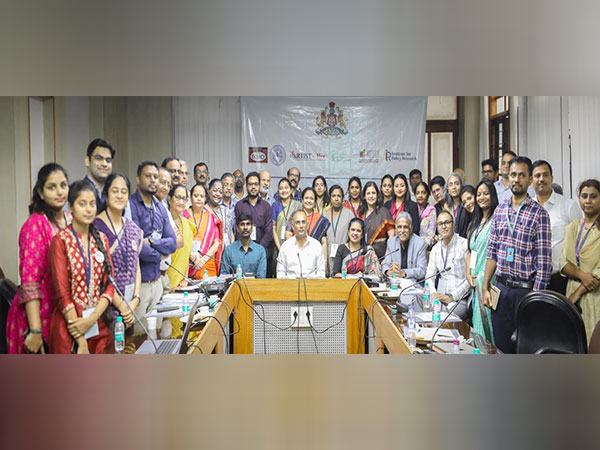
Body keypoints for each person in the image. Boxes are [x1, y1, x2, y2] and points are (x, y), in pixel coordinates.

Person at [482, 156, 552, 353]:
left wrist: (536, 299)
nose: (516, 179)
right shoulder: (499, 211)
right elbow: (492, 251)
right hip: (501, 290)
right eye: (513, 174)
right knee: (501, 347)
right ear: (508, 176)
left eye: (522, 175)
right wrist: (486, 286)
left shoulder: (540, 214)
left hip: (525, 292)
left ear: (529, 179)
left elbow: (544, 264)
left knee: (526, 349)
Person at [6, 163, 71, 354]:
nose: (59, 192)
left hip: (62, 312)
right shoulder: (35, 225)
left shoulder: (70, 218)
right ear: (41, 193)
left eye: (63, 185)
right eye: (52, 187)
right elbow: (30, 283)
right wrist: (35, 330)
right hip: (36, 318)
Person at [47, 180, 115, 354]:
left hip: (98, 326)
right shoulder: (60, 241)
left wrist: (92, 319)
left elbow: (109, 287)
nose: (89, 209)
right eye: (82, 204)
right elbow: (62, 294)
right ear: (70, 207)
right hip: (70, 329)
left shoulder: (102, 239)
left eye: (92, 204)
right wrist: (80, 340)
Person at [129, 161, 177, 334]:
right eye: (148, 176)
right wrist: (160, 256)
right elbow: (137, 247)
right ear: (138, 179)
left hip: (157, 283)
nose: (153, 180)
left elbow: (172, 242)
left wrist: (153, 243)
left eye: (155, 177)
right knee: (138, 338)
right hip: (139, 286)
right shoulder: (131, 206)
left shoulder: (160, 207)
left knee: (157, 335)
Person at [93, 173, 143, 330]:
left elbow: (137, 265)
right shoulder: (96, 227)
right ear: (106, 195)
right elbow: (100, 275)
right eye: (115, 191)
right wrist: (122, 306)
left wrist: (135, 299)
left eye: (124, 191)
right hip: (106, 309)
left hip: (131, 308)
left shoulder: (133, 228)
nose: (120, 195)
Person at [532, 160, 582, 294]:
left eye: (545, 175)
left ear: (552, 178)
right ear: (531, 180)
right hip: (532, 280)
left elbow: (580, 242)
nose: (541, 179)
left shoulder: (568, 205)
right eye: (537, 176)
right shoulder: (527, 208)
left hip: (560, 280)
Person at [561, 179, 600, 340]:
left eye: (593, 196)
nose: (588, 201)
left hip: (595, 294)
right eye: (584, 196)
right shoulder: (572, 227)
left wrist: (578, 293)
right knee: (574, 342)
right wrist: (582, 275)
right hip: (572, 291)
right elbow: (563, 263)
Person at [465, 179, 499, 344]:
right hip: (474, 282)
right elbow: (470, 251)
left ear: (493, 196)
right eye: (479, 194)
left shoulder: (496, 221)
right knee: (476, 324)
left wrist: (483, 279)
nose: (482, 197)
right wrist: (468, 273)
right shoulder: (476, 222)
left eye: (486, 193)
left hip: (488, 282)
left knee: (487, 326)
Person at [425, 210, 472, 320]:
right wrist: (433, 294)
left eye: (447, 222)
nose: (444, 227)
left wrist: (451, 297)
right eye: (440, 224)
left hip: (459, 299)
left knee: (444, 318)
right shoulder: (436, 249)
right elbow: (429, 277)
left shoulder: (464, 245)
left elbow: (469, 280)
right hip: (439, 297)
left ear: (453, 224)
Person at [183, 183, 222, 278]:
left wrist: (203, 260)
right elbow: (180, 241)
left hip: (207, 263)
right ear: (190, 198)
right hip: (187, 263)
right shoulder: (183, 216)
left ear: (205, 199)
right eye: (196, 196)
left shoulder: (211, 217)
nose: (199, 199)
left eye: (202, 196)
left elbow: (216, 243)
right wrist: (192, 256)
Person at [277, 210, 325, 278]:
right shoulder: (285, 247)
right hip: (290, 286)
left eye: (303, 222)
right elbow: (280, 274)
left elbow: (321, 273)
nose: (301, 226)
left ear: (307, 225)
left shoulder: (316, 246)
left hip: (312, 286)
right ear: (293, 227)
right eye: (297, 223)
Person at [287, 187, 330, 263]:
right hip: (296, 257)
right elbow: (288, 235)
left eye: (311, 198)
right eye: (306, 198)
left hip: (314, 258)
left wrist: (324, 263)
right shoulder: (294, 216)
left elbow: (323, 242)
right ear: (302, 200)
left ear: (314, 202)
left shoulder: (321, 220)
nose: (309, 201)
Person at [234, 172, 273, 253]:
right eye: (250, 184)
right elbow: (237, 231)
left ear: (259, 186)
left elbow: (268, 233)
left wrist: (258, 249)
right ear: (246, 186)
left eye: (256, 184)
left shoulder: (266, 206)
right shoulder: (239, 205)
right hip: (242, 251)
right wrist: (243, 248)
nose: (253, 187)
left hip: (261, 251)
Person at [382, 212, 427, 282]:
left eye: (405, 227)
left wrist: (404, 273)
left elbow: (422, 270)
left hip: (413, 286)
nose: (402, 231)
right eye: (399, 227)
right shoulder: (391, 242)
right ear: (396, 229)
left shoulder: (420, 243)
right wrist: (388, 271)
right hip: (395, 283)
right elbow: (386, 264)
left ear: (411, 229)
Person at [165, 184, 195, 290]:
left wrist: (185, 278)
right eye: (178, 197)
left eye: (184, 199)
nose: (181, 202)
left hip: (181, 286)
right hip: (164, 283)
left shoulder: (187, 225)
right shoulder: (164, 222)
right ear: (169, 199)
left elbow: (186, 255)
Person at [221, 213, 267, 278]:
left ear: (252, 228)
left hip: (254, 287)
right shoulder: (229, 250)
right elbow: (224, 276)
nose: (245, 227)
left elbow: (261, 277)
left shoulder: (260, 251)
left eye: (248, 224)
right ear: (237, 228)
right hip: (235, 287)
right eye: (242, 224)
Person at [272, 178, 302, 275]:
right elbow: (273, 228)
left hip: (295, 247)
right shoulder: (275, 206)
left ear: (291, 190)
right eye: (281, 188)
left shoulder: (297, 205)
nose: (283, 190)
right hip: (278, 248)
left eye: (286, 188)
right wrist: (280, 248)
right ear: (278, 190)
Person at [358, 182, 395, 260]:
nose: (371, 196)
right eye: (368, 193)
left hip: (380, 255)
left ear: (377, 195)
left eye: (373, 193)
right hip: (363, 254)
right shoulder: (360, 213)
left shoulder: (384, 212)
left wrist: (387, 257)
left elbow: (392, 237)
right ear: (364, 196)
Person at [325, 184, 354, 275]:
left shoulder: (349, 213)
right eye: (334, 196)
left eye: (339, 196)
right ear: (330, 198)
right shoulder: (324, 214)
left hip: (344, 254)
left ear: (342, 198)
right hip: (328, 251)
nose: (336, 199)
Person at [84, 138, 115, 212]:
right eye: (98, 158)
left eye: (108, 160)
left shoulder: (115, 193)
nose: (104, 164)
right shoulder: (76, 191)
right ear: (87, 161)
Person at [206, 178, 233, 248]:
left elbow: (230, 233)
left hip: (225, 249)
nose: (217, 194)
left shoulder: (227, 211)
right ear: (209, 191)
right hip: (208, 249)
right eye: (215, 191)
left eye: (220, 192)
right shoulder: (203, 210)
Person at [444, 172, 471, 238]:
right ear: (447, 189)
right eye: (450, 184)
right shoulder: (446, 206)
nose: (454, 187)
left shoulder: (466, 205)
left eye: (457, 184)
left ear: (461, 186)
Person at [414, 181, 437, 249]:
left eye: (423, 193)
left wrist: (423, 249)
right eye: (418, 193)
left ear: (427, 194)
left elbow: (431, 234)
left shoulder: (432, 211)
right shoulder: (413, 208)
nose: (420, 195)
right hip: (413, 245)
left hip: (426, 246)